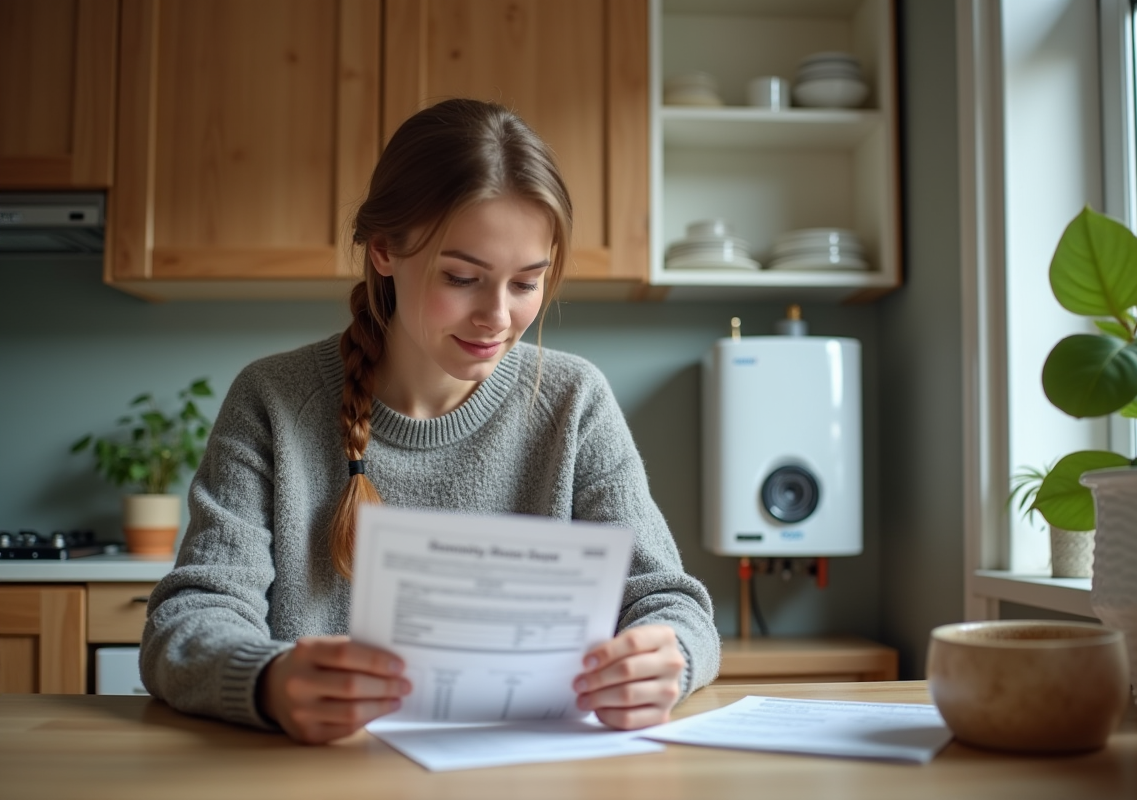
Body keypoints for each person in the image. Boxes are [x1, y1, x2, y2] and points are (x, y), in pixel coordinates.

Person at [140, 98, 720, 745]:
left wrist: (666, 662)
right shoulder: (274, 399)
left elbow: (671, 604)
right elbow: (189, 616)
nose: (496, 316)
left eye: (527, 282)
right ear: (385, 250)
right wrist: (268, 680)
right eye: (463, 277)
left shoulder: (573, 399)